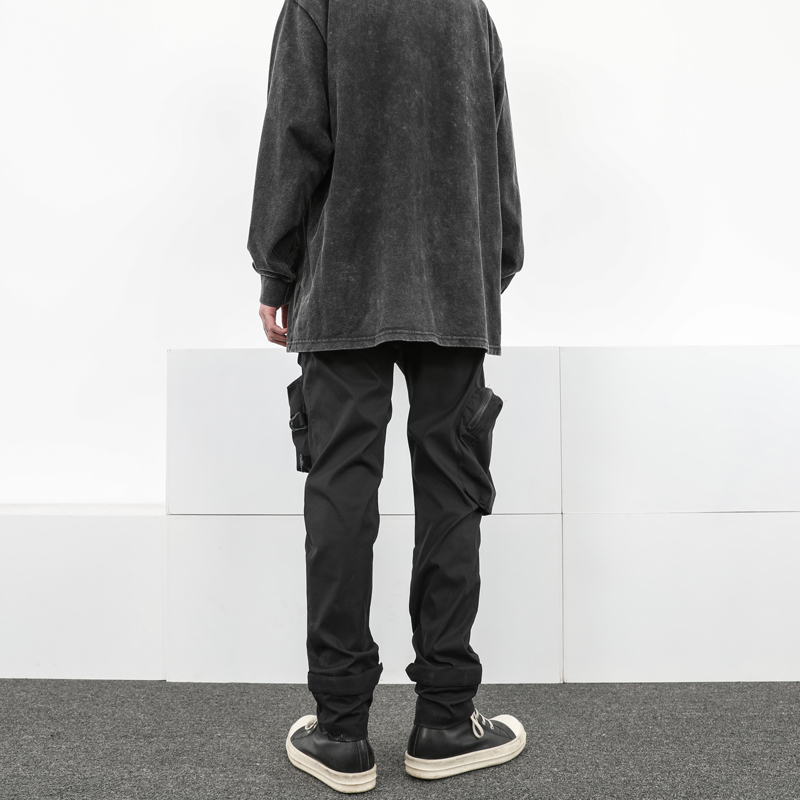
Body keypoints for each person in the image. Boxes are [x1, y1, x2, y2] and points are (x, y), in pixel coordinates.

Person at [247, 0, 525, 793]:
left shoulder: (319, 5)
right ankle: (445, 721)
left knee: (341, 488)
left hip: (344, 283)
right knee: (452, 491)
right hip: (454, 283)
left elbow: (293, 138)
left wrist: (274, 269)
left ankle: (340, 731)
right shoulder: (469, 11)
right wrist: (491, 267)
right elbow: (497, 152)